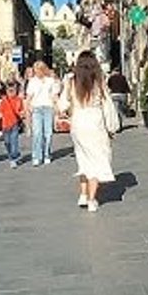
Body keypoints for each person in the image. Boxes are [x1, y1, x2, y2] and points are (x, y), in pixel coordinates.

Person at [59, 51, 116, 212]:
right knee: (97, 160)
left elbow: (62, 105)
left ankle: (83, 194)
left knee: (83, 158)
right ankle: (92, 199)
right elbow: (107, 107)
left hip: (78, 122)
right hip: (95, 122)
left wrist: (64, 110)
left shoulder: (71, 82)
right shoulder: (99, 82)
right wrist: (111, 127)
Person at [26, 60, 60, 166]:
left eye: (38, 70)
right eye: (35, 70)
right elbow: (29, 97)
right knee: (37, 133)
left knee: (48, 134)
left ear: (43, 70)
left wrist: (58, 108)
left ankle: (46, 154)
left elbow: (54, 96)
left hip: (48, 108)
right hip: (36, 108)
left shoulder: (50, 81)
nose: (37, 72)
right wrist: (27, 108)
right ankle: (36, 156)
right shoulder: (32, 81)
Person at [0, 81, 29, 167]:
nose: (11, 92)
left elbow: (21, 111)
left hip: (14, 124)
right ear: (6, 91)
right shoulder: (4, 101)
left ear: (16, 91)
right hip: (5, 125)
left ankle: (13, 158)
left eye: (13, 90)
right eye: (9, 91)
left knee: (14, 142)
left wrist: (24, 118)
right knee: (7, 142)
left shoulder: (19, 100)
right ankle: (13, 155)